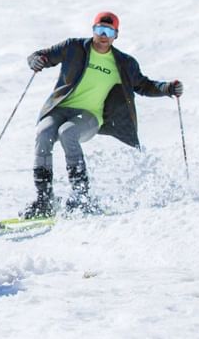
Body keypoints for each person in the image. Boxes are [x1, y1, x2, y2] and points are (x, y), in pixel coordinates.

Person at [21, 11, 184, 218]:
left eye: (109, 31)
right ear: (93, 30)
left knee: (67, 133)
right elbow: (41, 55)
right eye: (100, 30)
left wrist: (168, 88)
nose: (103, 35)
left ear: (116, 35)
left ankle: (81, 198)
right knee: (43, 133)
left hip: (90, 115)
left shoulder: (124, 63)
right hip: (60, 109)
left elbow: (143, 85)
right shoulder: (73, 47)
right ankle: (44, 200)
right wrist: (37, 60)